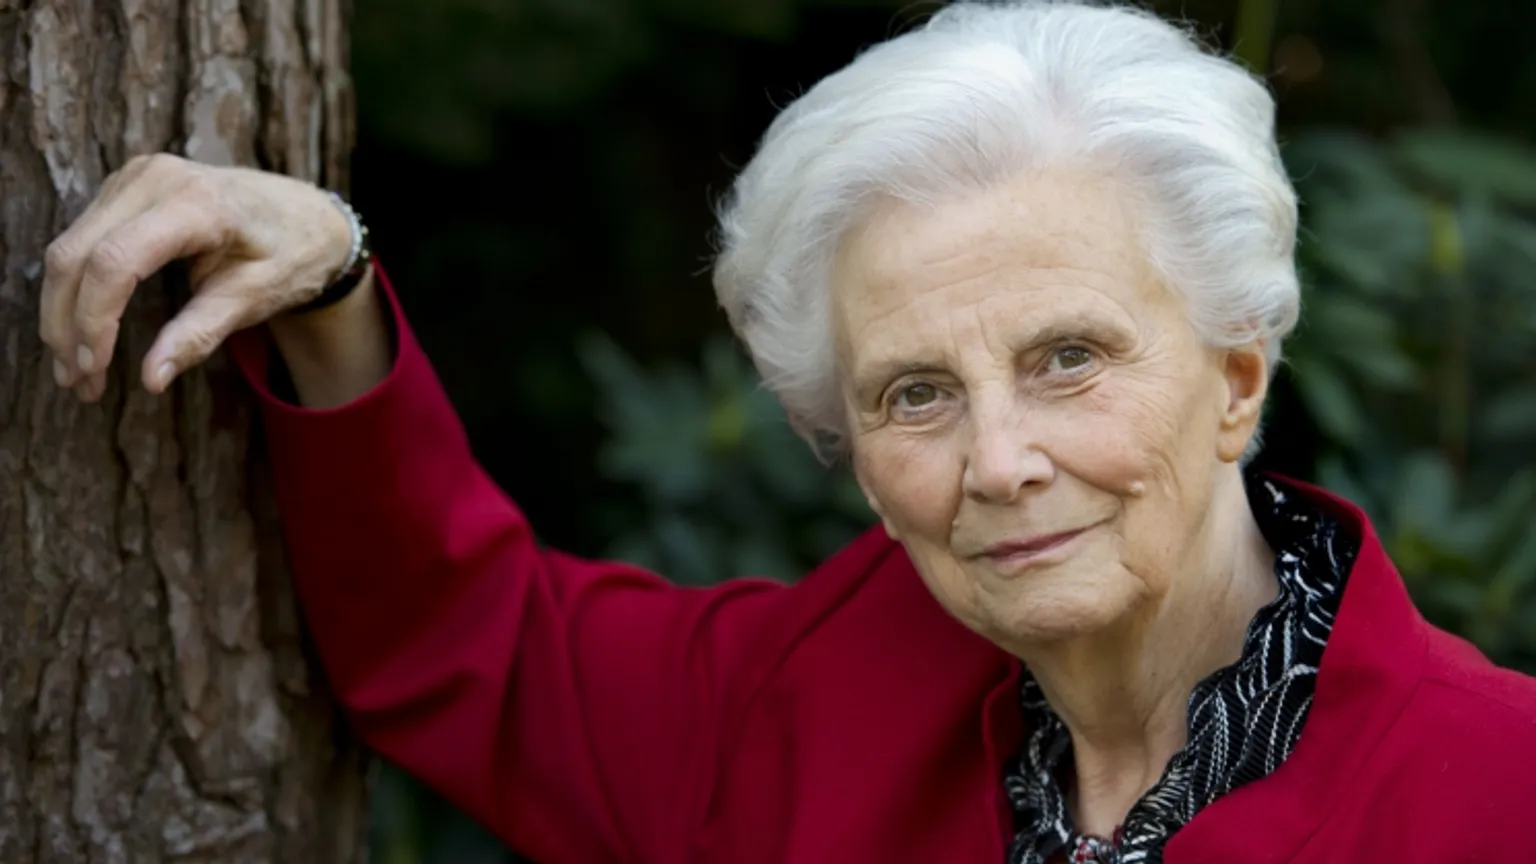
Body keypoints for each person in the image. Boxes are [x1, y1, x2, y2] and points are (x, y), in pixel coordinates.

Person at [38, 2, 1536, 862]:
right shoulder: (824, 695)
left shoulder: (1495, 789)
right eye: (915, 393)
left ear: (1236, 381)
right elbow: (475, 646)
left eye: (1069, 359)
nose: (998, 461)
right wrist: (333, 284)